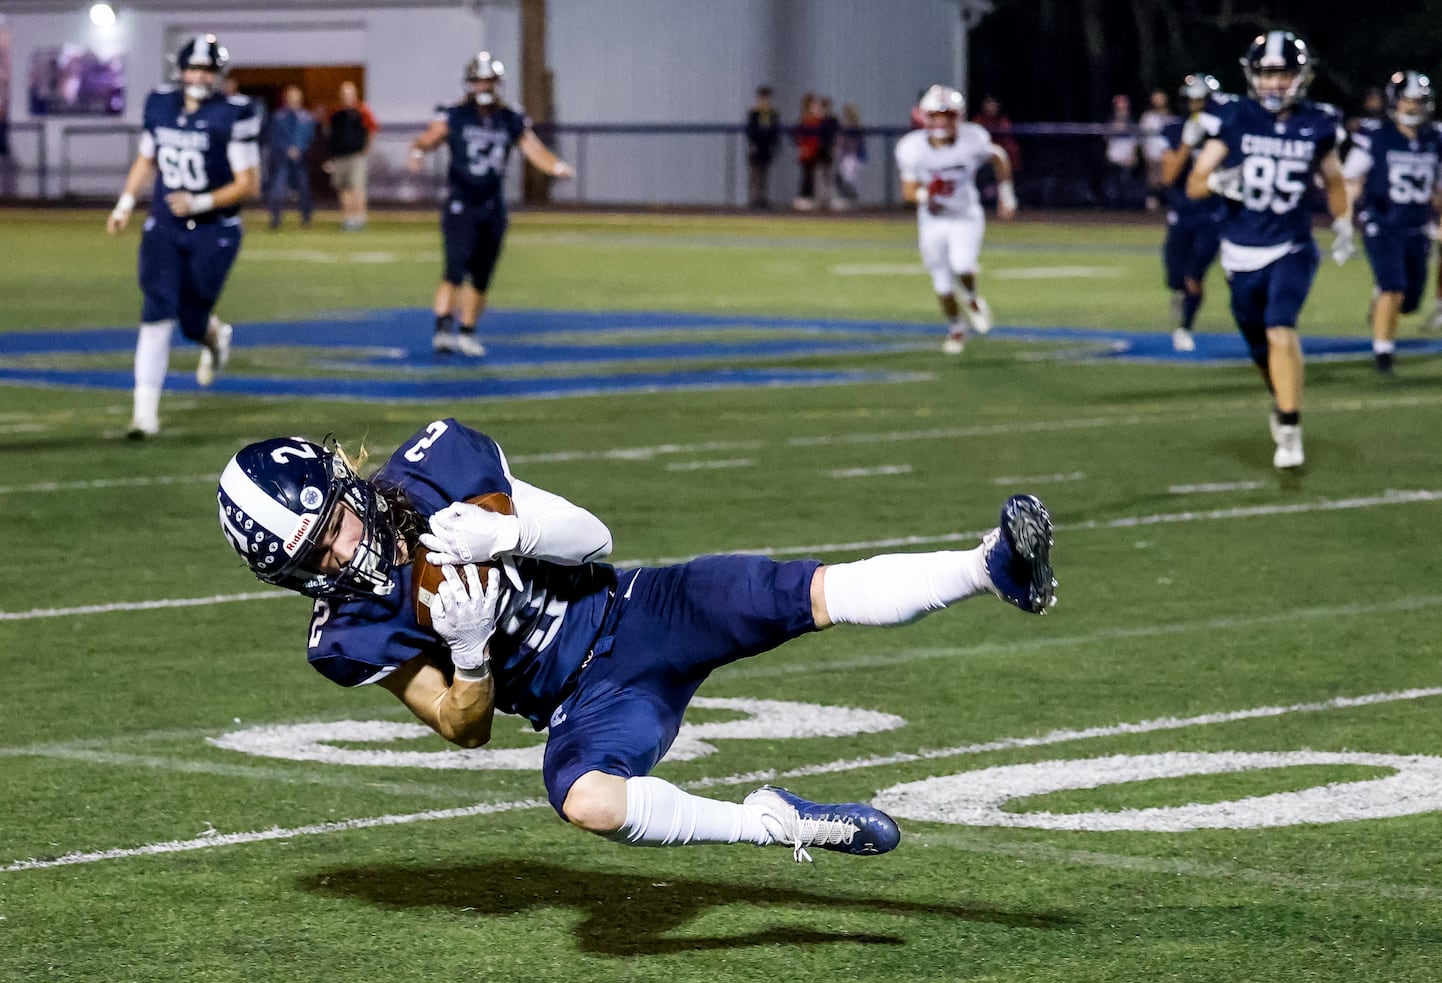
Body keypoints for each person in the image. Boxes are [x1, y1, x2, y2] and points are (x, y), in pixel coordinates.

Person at [217, 419, 1056, 862]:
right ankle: (778, 825)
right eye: (313, 553)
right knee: (588, 802)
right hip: (585, 702)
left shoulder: (439, 465)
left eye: (333, 520)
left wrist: (506, 536)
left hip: (635, 608)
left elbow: (593, 536)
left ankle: (991, 567)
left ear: (345, 482)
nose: (341, 546)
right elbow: (460, 727)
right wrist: (469, 653)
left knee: (803, 591)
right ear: (289, 576)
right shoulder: (344, 633)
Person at [1186, 30, 1352, 470]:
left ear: (1301, 76)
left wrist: (1343, 223)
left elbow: (1333, 178)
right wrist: (1222, 181)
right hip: (1240, 251)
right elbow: (1195, 183)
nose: (1275, 83)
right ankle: (1281, 403)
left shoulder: (1318, 122)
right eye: (1266, 73)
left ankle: (1291, 429)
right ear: (1252, 76)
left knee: (1281, 329)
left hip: (1292, 246)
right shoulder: (1236, 117)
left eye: (1283, 74)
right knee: (1261, 349)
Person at [105, 33, 259, 439]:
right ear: (180, 70)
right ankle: (144, 414)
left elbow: (249, 184)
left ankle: (214, 337)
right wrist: (124, 203)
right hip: (165, 226)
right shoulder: (160, 104)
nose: (198, 76)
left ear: (218, 75)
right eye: (192, 68)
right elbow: (146, 157)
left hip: (215, 230)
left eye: (206, 70)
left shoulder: (234, 114)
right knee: (156, 307)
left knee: (191, 321)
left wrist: (201, 201)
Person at [406, 52, 573, 358]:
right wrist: (418, 149)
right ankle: (443, 330)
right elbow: (431, 137)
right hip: (461, 202)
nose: (485, 86)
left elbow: (532, 149)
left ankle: (467, 332)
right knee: (455, 268)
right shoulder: (454, 114)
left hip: (492, 205)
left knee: (482, 275)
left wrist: (556, 167)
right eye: (480, 81)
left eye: (490, 81)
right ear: (470, 83)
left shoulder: (509, 117)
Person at [894, 83, 1017, 355]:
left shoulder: (972, 139)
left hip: (965, 215)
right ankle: (956, 328)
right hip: (933, 219)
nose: (942, 121)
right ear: (925, 117)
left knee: (962, 265)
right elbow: (908, 192)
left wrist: (1006, 196)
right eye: (936, 115)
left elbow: (998, 156)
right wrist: (929, 196)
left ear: (958, 116)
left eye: (948, 115)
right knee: (942, 283)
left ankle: (972, 299)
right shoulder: (911, 148)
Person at [1341, 72, 1442, 374]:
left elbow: (1438, 189)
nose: (1412, 107)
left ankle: (1382, 301)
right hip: (1382, 222)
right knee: (1393, 286)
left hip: (1417, 226)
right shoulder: (1375, 135)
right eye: (1407, 100)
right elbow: (1350, 180)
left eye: (1418, 101)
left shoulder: (1434, 138)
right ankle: (1383, 354)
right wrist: (1345, 220)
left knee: (1409, 301)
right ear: (1394, 102)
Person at [1158, 73, 1228, 352]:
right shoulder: (1175, 130)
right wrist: (1187, 143)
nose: (1197, 106)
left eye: (1202, 100)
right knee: (1175, 277)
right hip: (1181, 214)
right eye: (1193, 100)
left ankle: (1185, 328)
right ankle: (1180, 297)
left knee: (1193, 277)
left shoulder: (1225, 130)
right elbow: (1168, 176)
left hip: (1212, 214)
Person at [326, 80, 378, 231]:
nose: (346, 97)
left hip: (356, 156)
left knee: (357, 187)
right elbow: (329, 130)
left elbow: (372, 129)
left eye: (349, 94)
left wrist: (366, 148)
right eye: (344, 94)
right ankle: (348, 219)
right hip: (340, 156)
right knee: (343, 189)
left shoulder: (362, 111)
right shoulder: (336, 112)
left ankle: (360, 218)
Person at [266, 84, 315, 229]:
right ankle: (275, 219)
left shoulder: (307, 118)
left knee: (304, 190)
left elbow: (310, 138)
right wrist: (286, 149)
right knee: (278, 190)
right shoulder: (278, 116)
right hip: (282, 159)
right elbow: (273, 137)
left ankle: (306, 218)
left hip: (301, 160)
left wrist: (300, 149)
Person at [1138, 88, 1178, 212]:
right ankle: (1152, 206)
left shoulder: (1171, 117)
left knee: (1168, 180)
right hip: (1153, 153)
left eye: (1161, 98)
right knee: (1153, 180)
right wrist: (1144, 151)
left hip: (1168, 154)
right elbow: (1142, 136)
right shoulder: (1148, 117)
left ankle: (1168, 205)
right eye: (1156, 99)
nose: (1158, 101)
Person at [744, 85, 782, 209]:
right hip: (756, 147)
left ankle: (762, 199)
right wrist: (753, 144)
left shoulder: (772, 114)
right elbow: (750, 131)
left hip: (766, 148)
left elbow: (775, 131)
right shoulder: (754, 113)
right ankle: (753, 198)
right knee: (755, 174)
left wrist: (774, 145)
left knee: (764, 175)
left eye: (767, 97)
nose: (765, 100)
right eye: (763, 97)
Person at [1103, 94, 1140, 209]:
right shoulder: (1111, 122)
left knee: (1127, 183)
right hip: (1114, 159)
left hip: (1127, 159)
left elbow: (1135, 142)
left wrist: (1134, 156)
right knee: (1113, 185)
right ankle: (1112, 207)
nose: (1122, 110)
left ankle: (1128, 209)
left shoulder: (1131, 122)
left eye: (1124, 107)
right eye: (1119, 107)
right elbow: (1106, 140)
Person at [833, 102, 866, 208]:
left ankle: (851, 200)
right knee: (842, 178)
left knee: (849, 179)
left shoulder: (856, 126)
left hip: (854, 157)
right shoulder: (844, 126)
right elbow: (840, 142)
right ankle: (848, 199)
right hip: (847, 156)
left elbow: (856, 144)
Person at [792, 92, 822, 211]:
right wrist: (801, 146)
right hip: (806, 151)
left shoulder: (817, 118)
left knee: (813, 176)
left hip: (816, 151)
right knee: (807, 176)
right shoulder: (804, 119)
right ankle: (803, 199)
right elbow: (797, 136)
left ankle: (810, 198)